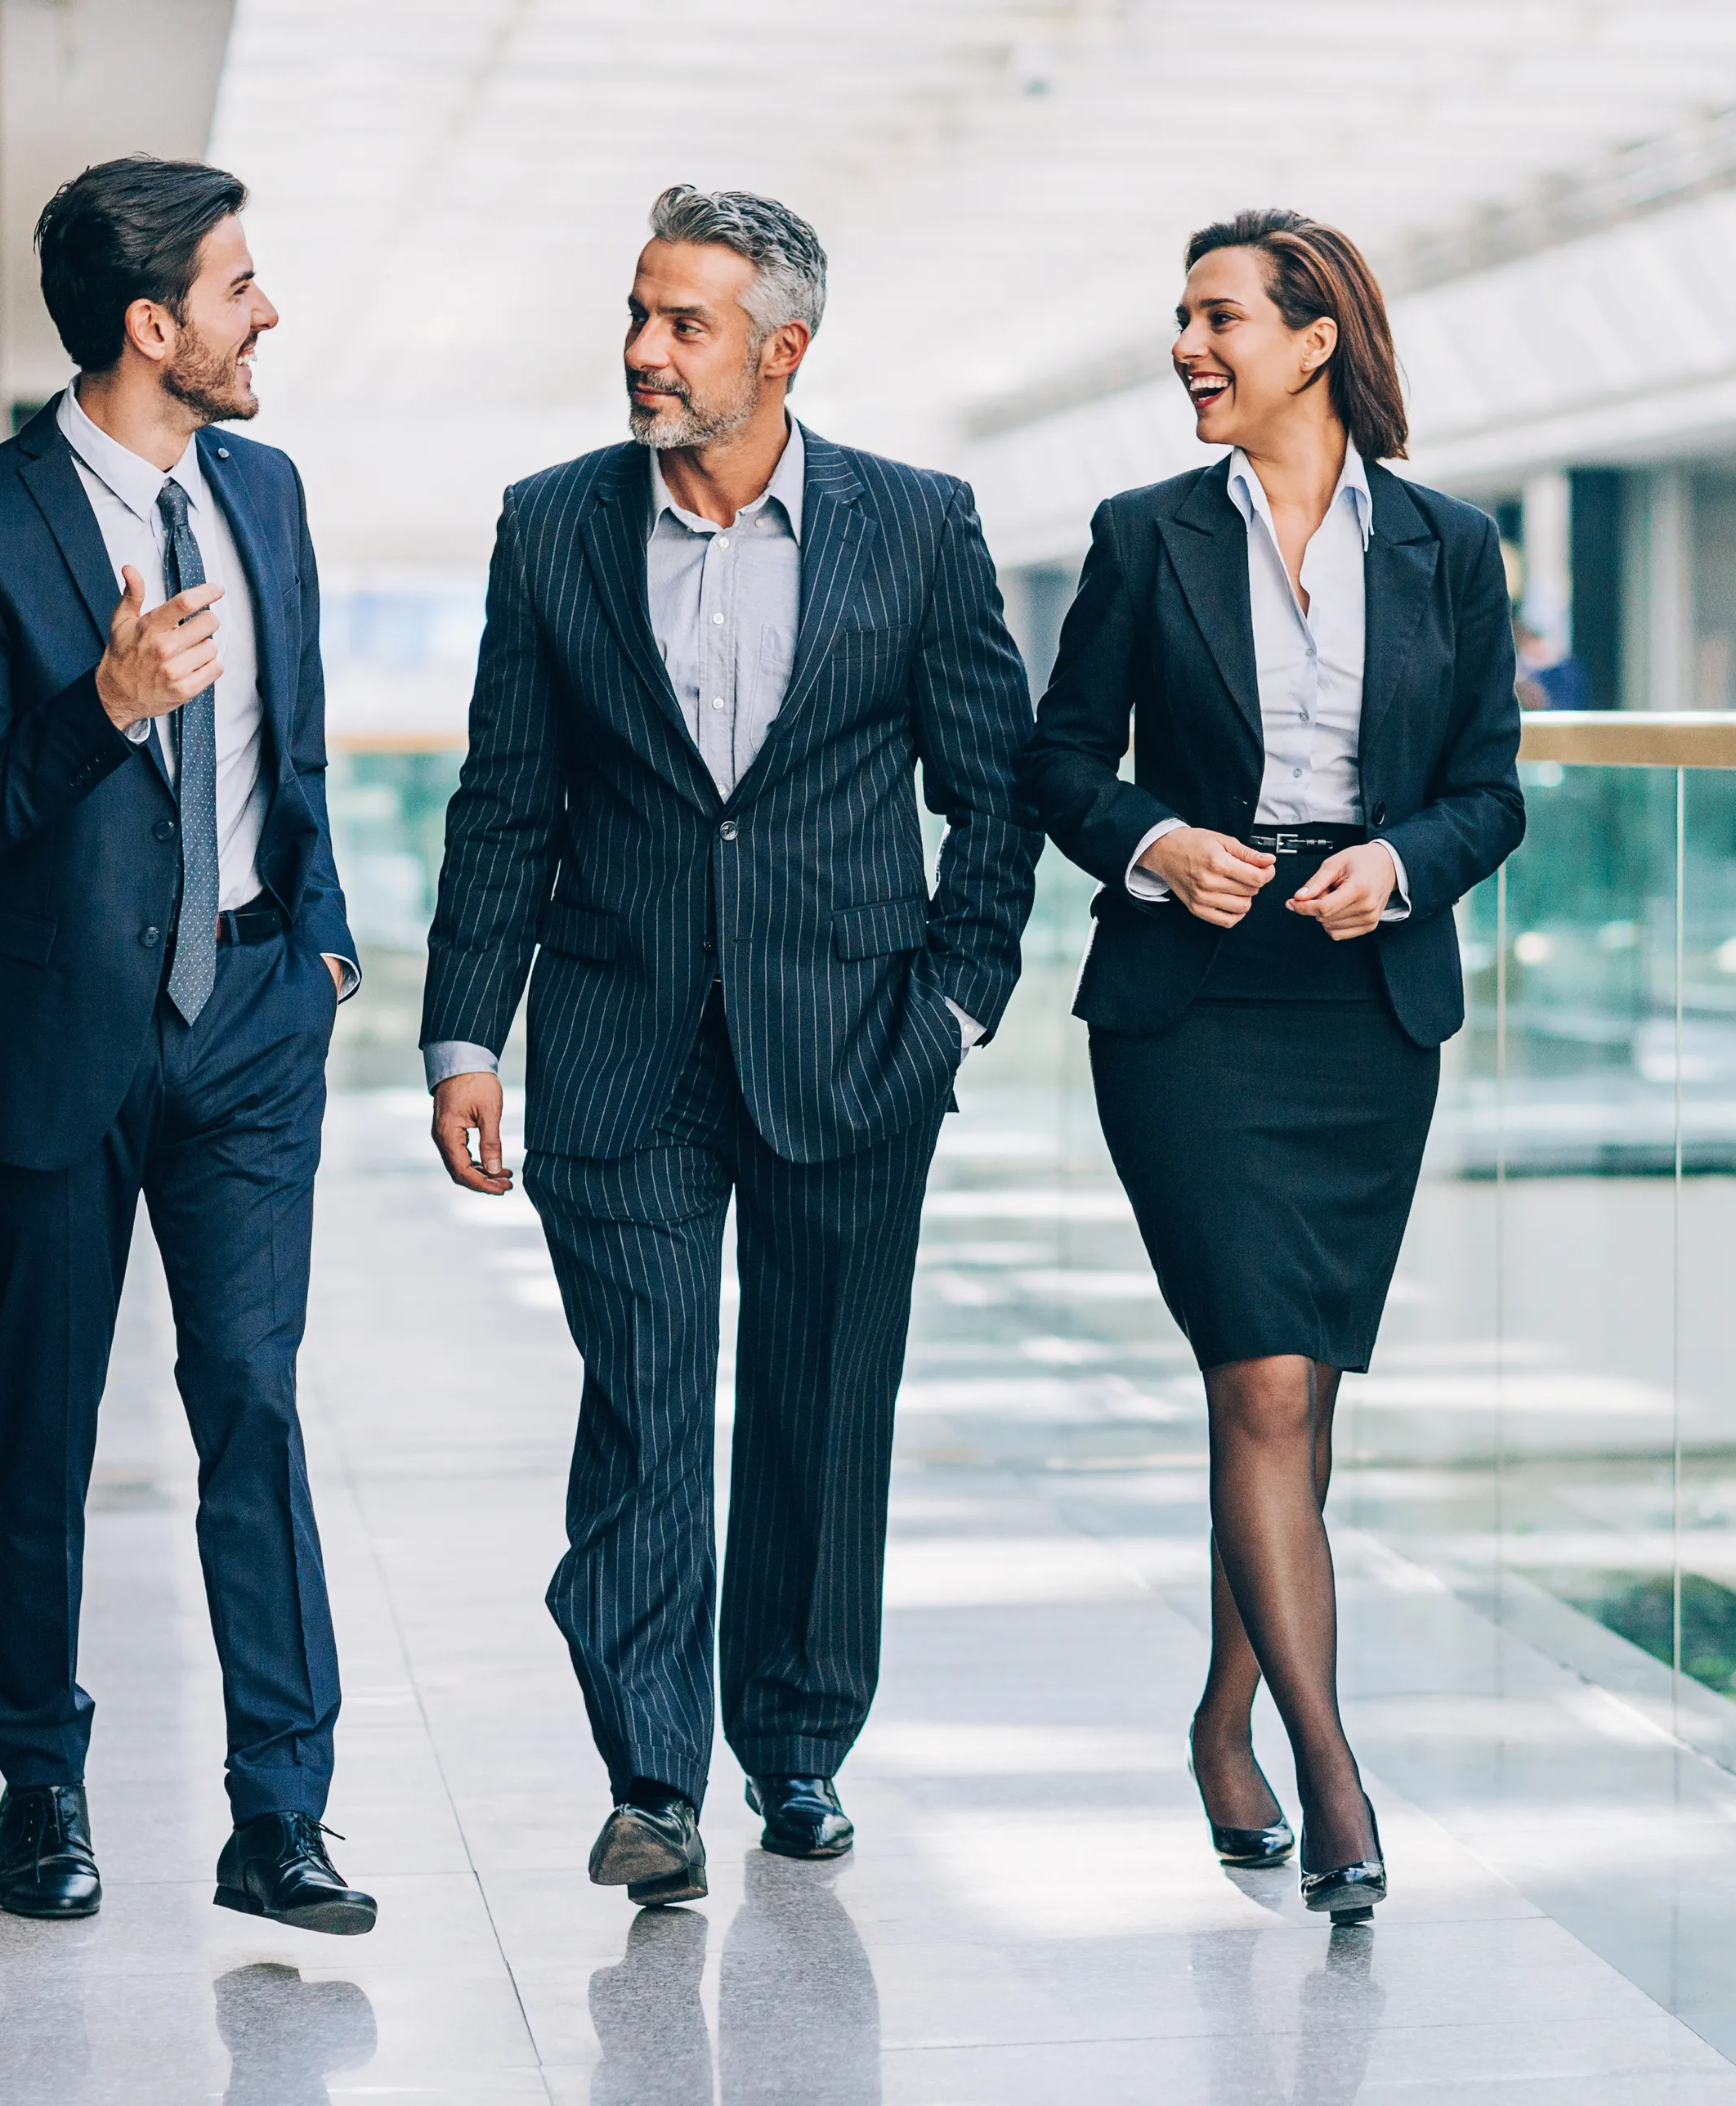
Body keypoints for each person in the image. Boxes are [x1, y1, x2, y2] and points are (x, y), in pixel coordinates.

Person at [420, 188, 1038, 1907]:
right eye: (638, 312)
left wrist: (955, 1006)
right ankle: (651, 1776)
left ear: (784, 350)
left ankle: (799, 1741)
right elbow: (503, 801)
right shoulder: (550, 528)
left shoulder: (916, 527)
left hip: (857, 1044)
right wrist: (467, 1032)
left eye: (684, 324)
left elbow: (994, 792)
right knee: (644, 1409)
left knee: (824, 1408)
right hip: (622, 1046)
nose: (642, 350)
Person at [1015, 208, 1524, 1920]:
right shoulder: (1145, 534)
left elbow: (1490, 785)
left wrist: (1409, 865)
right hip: (1196, 1005)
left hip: (1361, 1002)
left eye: (1219, 316)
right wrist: (1157, 841)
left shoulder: (1449, 546)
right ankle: (1332, 1770)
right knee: (1265, 1385)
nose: (1188, 346)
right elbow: (1062, 758)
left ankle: (1226, 1714)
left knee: (1297, 1392)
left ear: (1318, 339)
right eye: (1182, 317)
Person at [0, 157, 373, 1931]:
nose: (268, 315)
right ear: (154, 326)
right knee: (46, 1414)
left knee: (250, 1392)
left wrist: (316, 947)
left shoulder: (271, 489)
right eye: (242, 287)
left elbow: (296, 745)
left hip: (249, 1019)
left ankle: (284, 1811)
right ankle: (43, 1781)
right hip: (50, 1032)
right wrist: (101, 707)